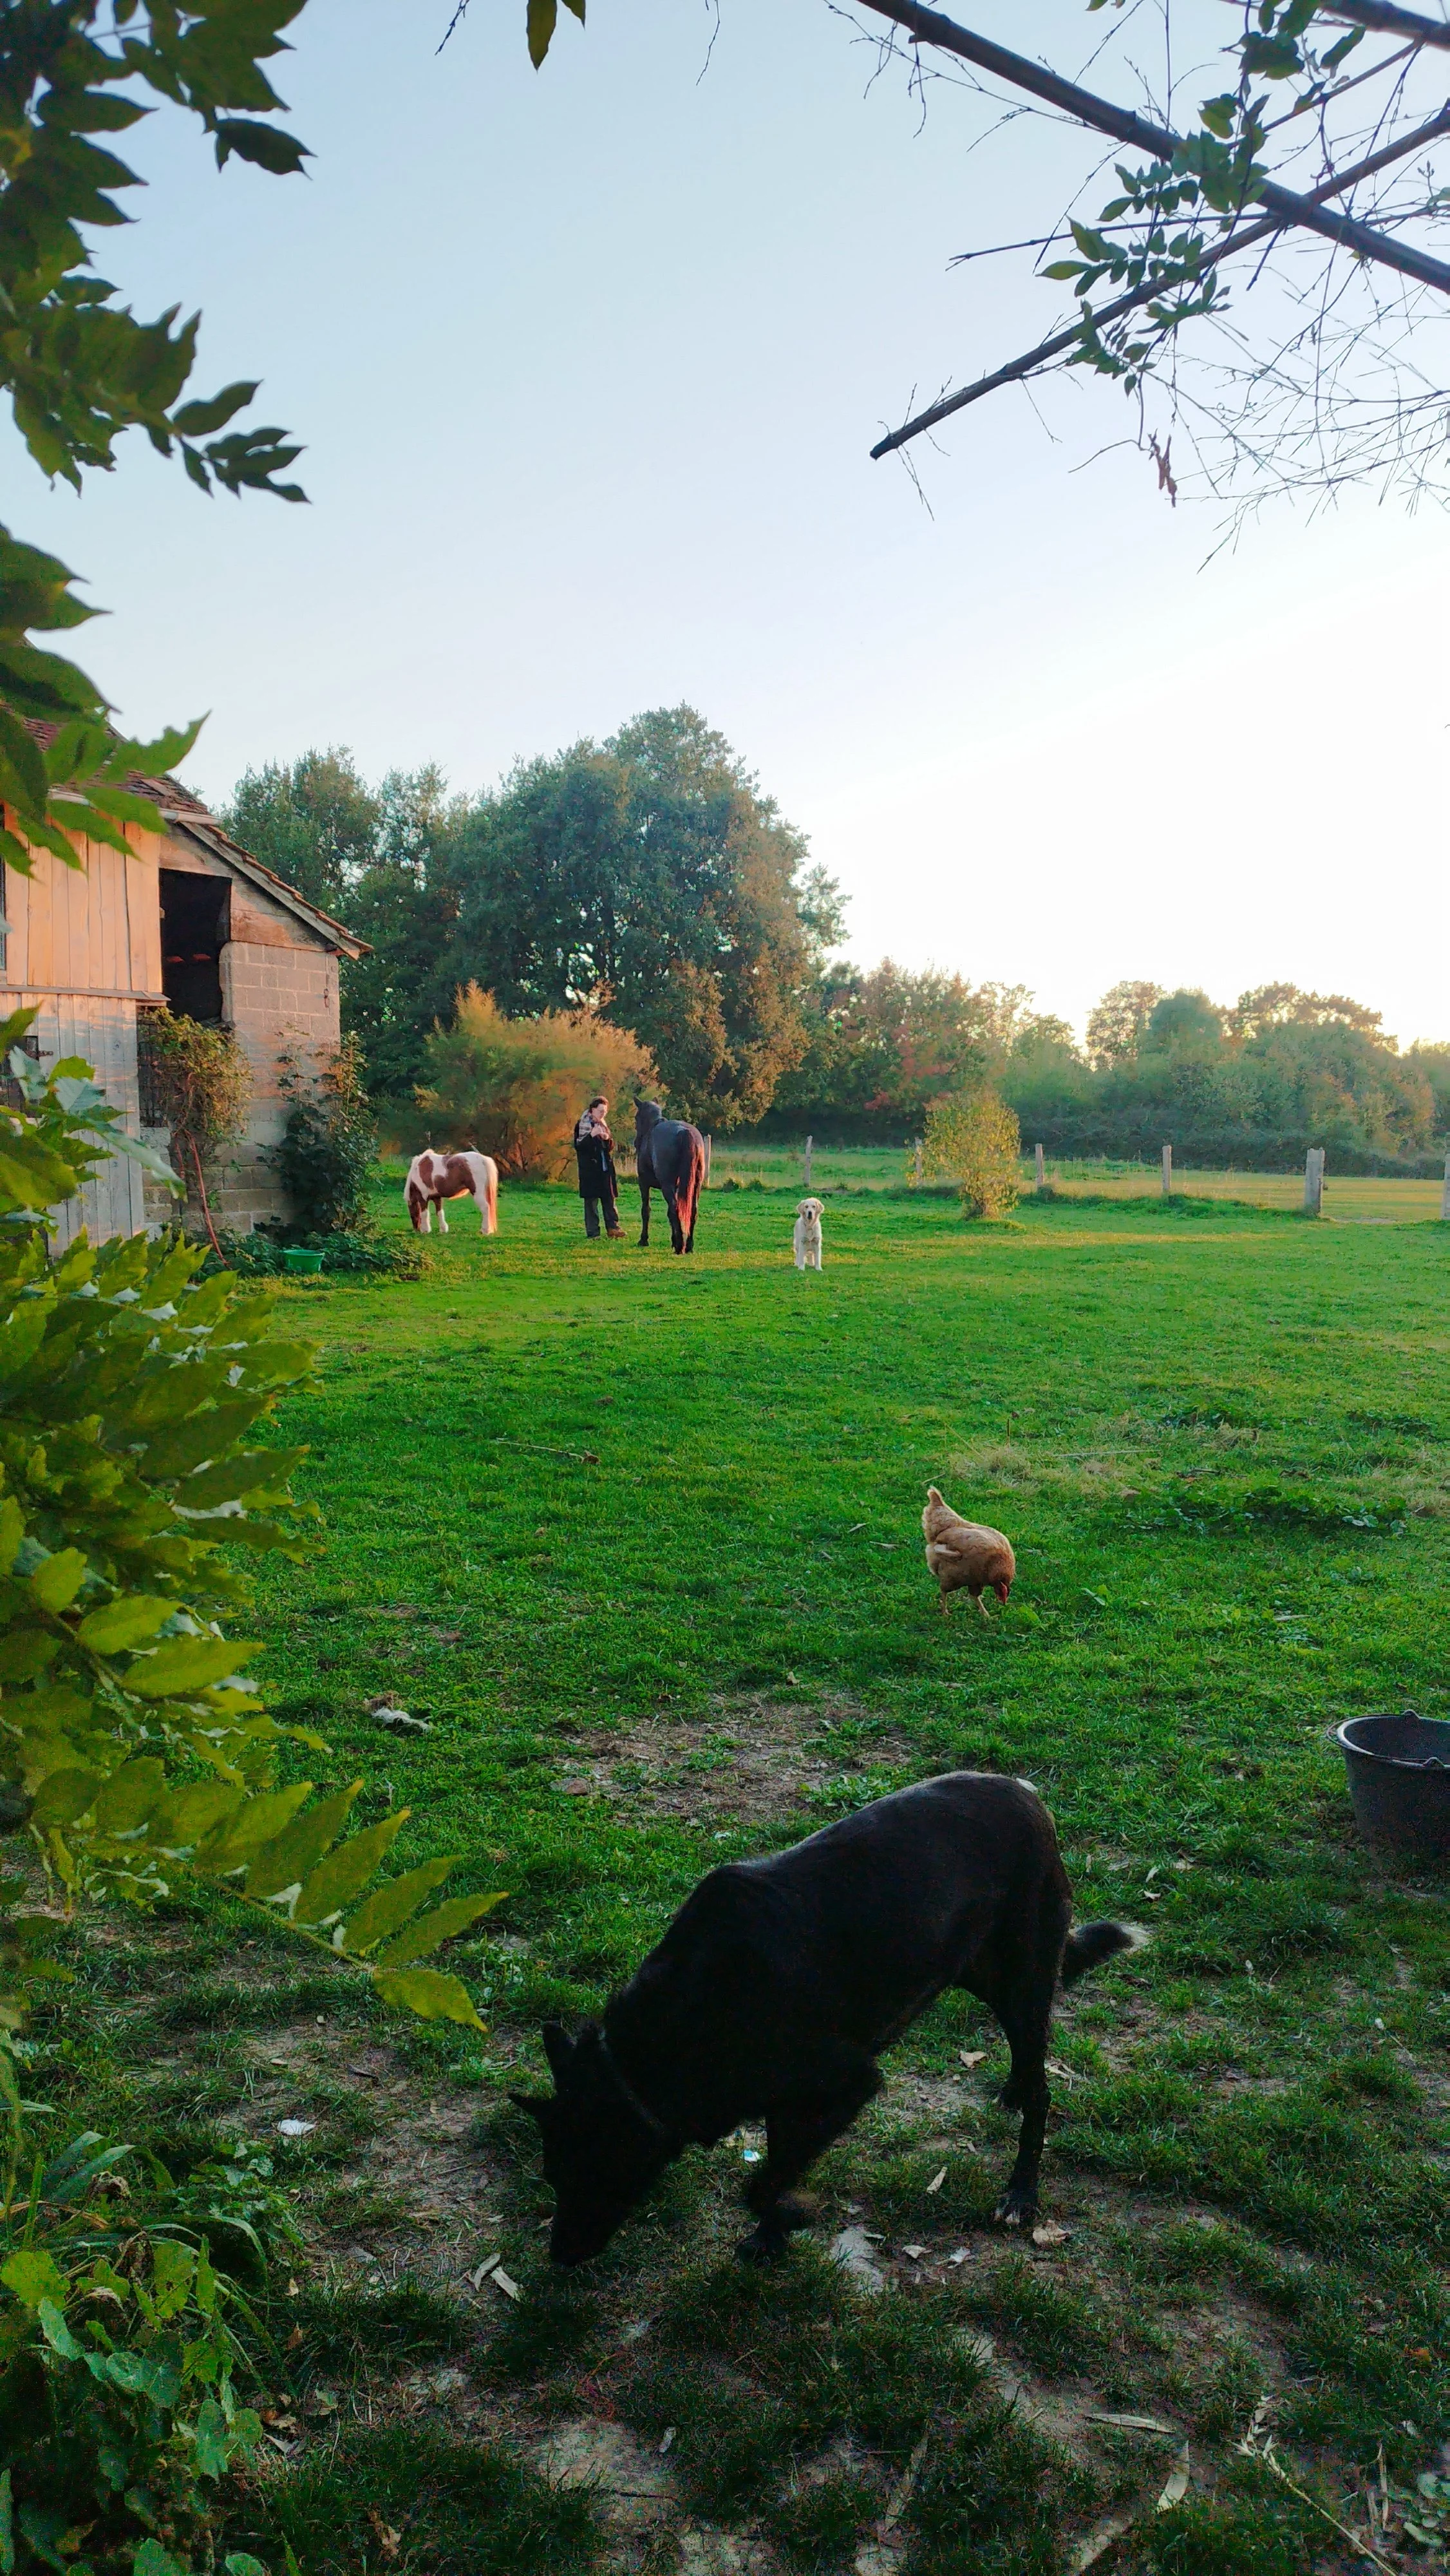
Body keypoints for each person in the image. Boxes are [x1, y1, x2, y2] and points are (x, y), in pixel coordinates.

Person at [573, 1094, 623, 1239]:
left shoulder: (603, 1124)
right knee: (591, 1203)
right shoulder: (582, 1124)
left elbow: (609, 1148)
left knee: (609, 1200)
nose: (603, 1114)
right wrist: (591, 1136)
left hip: (605, 1169)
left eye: (605, 1112)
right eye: (601, 1111)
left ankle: (613, 1229)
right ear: (593, 1109)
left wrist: (607, 1139)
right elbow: (579, 1147)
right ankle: (593, 1233)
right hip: (590, 1171)